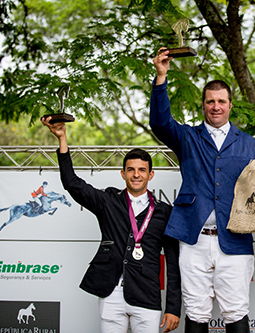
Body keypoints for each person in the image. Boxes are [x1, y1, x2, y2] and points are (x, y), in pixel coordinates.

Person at [151, 48, 255, 333]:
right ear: (203, 106)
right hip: (194, 239)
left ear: (230, 105)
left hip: (234, 240)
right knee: (195, 313)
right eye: (210, 102)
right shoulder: (187, 137)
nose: (216, 106)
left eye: (221, 101)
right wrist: (162, 76)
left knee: (236, 312)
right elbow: (159, 123)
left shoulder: (249, 144)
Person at [42, 117, 181, 333]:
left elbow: (174, 263)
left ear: (150, 175)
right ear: (123, 173)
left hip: (147, 294)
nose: (136, 175)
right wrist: (62, 139)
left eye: (142, 170)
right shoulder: (108, 201)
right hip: (111, 293)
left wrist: (173, 308)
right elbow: (72, 183)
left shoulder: (165, 212)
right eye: (131, 169)